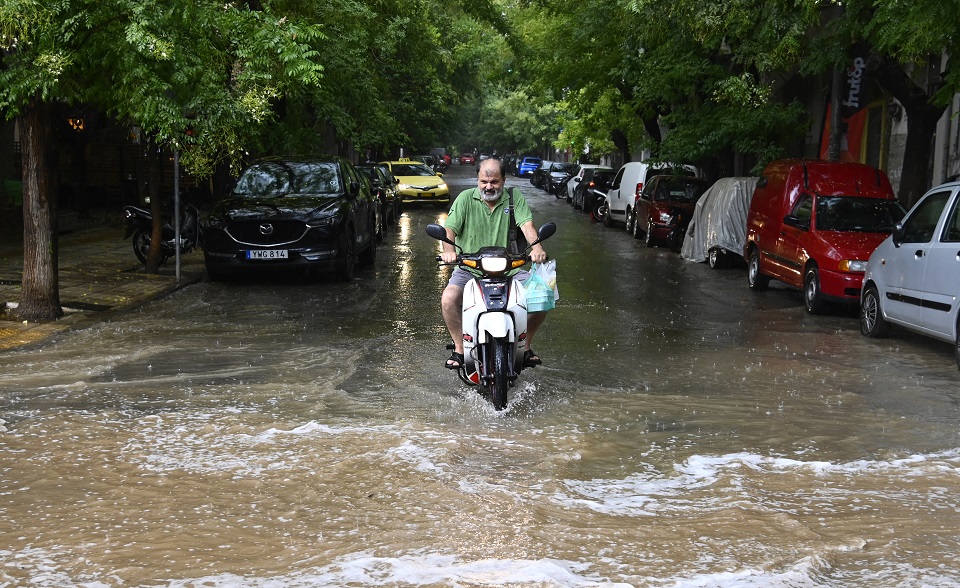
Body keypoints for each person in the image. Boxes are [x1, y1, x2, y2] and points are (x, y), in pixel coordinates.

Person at [440, 158, 549, 370]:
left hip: (510, 268)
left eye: (494, 182)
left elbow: (527, 225)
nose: (488, 186)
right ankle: (460, 349)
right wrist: (449, 251)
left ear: (504, 181)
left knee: (543, 296)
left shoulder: (514, 198)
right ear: (477, 180)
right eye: (484, 181)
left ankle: (524, 347)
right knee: (448, 299)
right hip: (469, 268)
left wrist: (536, 248)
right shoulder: (464, 199)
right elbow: (449, 230)